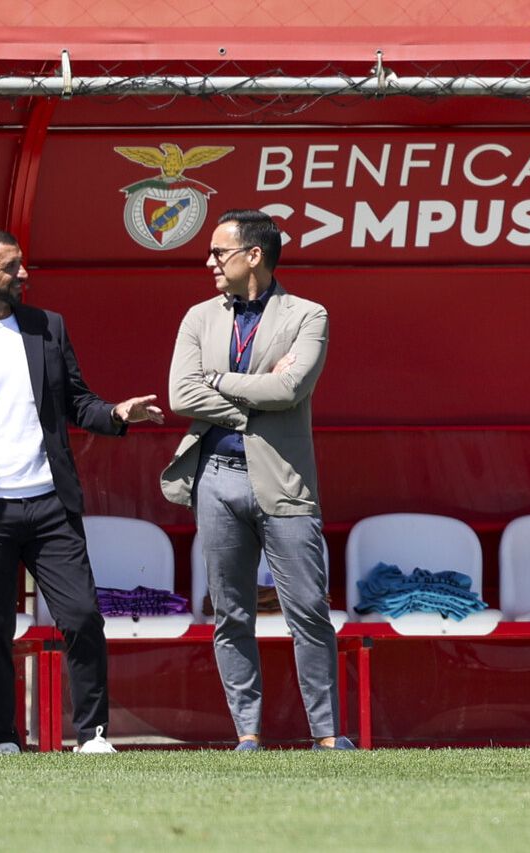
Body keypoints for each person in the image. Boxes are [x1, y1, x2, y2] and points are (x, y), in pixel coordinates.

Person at [0, 228, 163, 754]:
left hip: (51, 504)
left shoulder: (47, 328)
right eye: (11, 267)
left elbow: (78, 401)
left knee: (81, 616)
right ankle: (3, 739)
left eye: (23, 264)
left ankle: (92, 736)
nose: (24, 274)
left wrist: (117, 414)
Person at [161, 209, 355, 751]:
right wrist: (252, 397)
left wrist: (218, 383)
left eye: (219, 252)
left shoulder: (307, 314)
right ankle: (247, 734)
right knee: (231, 612)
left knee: (309, 610)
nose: (209, 262)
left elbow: (291, 389)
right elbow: (181, 396)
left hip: (285, 481)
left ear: (253, 256)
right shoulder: (199, 317)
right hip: (215, 480)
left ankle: (327, 737)